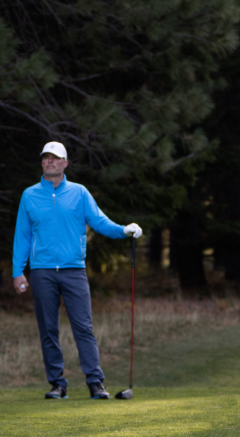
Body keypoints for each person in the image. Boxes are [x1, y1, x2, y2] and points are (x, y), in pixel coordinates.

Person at [12, 142, 142, 400]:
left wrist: (123, 230)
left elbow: (99, 222)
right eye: (46, 158)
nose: (50, 161)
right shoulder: (29, 195)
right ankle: (57, 385)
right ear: (42, 163)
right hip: (42, 271)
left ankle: (95, 383)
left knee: (84, 327)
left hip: (74, 271)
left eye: (55, 158)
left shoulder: (79, 193)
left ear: (65, 163)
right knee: (48, 329)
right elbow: (22, 236)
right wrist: (18, 271)